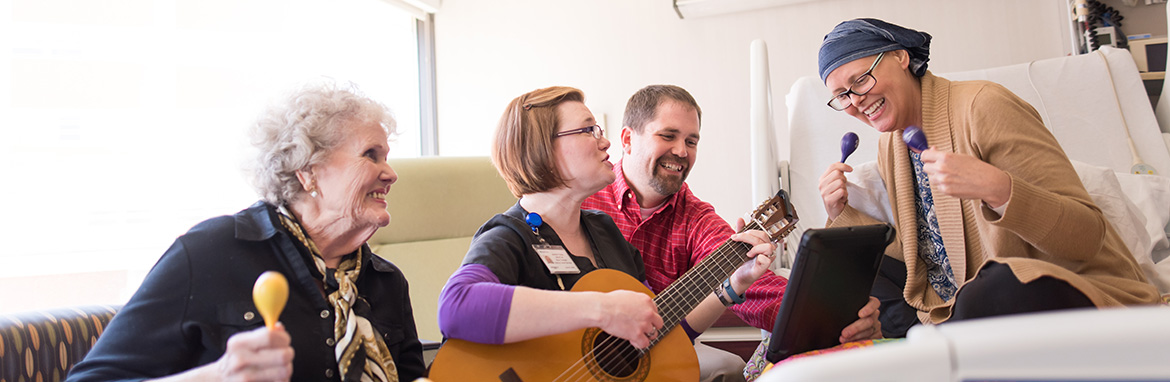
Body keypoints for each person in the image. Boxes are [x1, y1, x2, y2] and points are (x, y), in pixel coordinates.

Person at [66, 82, 425, 381]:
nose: (390, 173)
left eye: (387, 156)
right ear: (308, 171)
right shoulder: (211, 253)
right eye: (371, 155)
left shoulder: (386, 282)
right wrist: (217, 375)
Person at [816, 18, 1159, 330]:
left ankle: (936, 338)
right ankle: (920, 335)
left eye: (861, 79)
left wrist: (999, 190)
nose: (856, 100)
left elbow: (1086, 235)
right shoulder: (891, 146)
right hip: (954, 305)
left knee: (997, 285)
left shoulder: (983, 106)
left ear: (901, 57)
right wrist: (841, 213)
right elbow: (922, 255)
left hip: (1061, 290)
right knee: (843, 273)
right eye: (842, 95)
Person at [435, 86, 775, 366]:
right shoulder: (510, 235)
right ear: (541, 147)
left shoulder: (604, 231)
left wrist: (732, 286)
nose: (605, 142)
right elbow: (456, 306)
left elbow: (652, 336)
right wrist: (604, 310)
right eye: (588, 130)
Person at [582, 85, 883, 382]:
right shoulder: (583, 194)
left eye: (692, 141)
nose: (681, 151)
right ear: (627, 139)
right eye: (668, 135)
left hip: (647, 358)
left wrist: (835, 317)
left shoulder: (696, 219)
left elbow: (757, 287)